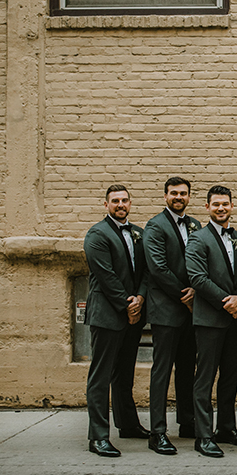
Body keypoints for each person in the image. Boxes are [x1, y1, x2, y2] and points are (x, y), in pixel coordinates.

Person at [184, 185, 237, 458]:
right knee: (205, 377)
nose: (221, 208)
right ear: (207, 207)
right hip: (211, 319)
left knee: (231, 377)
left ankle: (226, 427)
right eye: (216, 204)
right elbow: (197, 278)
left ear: (232, 206)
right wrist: (229, 302)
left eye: (225, 204)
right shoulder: (197, 239)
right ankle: (203, 435)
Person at [82, 184, 148, 457]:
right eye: (115, 201)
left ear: (130, 203)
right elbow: (106, 276)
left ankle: (128, 424)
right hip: (107, 314)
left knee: (125, 373)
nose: (120, 204)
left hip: (133, 313)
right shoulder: (97, 234)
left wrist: (140, 299)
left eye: (124, 200)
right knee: (101, 375)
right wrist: (127, 303)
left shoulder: (138, 234)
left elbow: (146, 271)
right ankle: (98, 437)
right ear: (106, 204)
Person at [143, 176, 201, 455]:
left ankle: (187, 422)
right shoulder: (155, 226)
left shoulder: (195, 225)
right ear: (165, 196)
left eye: (183, 194)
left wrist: (197, 292)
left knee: (188, 368)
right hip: (167, 310)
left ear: (189, 197)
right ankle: (157, 432)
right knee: (162, 371)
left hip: (192, 312)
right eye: (174, 193)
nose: (179, 197)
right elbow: (157, 268)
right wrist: (184, 293)